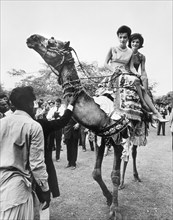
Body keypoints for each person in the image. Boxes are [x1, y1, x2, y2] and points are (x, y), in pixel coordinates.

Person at [0, 86, 50, 220]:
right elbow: (37, 164)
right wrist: (45, 190)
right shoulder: (33, 126)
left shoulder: (1, 123)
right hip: (18, 192)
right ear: (29, 104)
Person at [104, 25, 163, 123]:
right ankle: (144, 103)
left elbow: (131, 67)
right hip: (114, 75)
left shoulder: (130, 52)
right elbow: (105, 63)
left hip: (125, 74)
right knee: (135, 81)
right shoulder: (112, 48)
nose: (122, 39)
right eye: (120, 37)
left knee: (141, 86)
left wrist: (137, 74)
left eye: (125, 37)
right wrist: (113, 70)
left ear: (128, 38)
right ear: (118, 37)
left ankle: (155, 112)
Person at [35, 96, 74, 216]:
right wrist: (71, 105)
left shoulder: (5, 122)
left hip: (17, 171)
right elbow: (63, 121)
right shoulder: (40, 124)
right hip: (40, 164)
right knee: (43, 197)